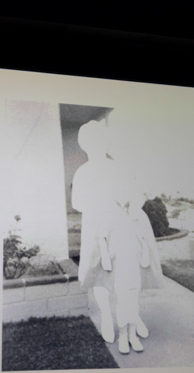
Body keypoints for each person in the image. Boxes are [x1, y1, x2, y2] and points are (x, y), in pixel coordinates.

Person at [72, 118, 163, 352]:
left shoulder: (118, 168)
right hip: (95, 225)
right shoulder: (83, 172)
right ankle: (105, 315)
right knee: (100, 271)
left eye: (101, 141)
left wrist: (127, 207)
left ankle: (134, 317)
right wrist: (99, 206)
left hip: (119, 226)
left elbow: (135, 194)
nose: (97, 145)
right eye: (92, 142)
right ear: (85, 145)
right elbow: (78, 202)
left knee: (127, 273)